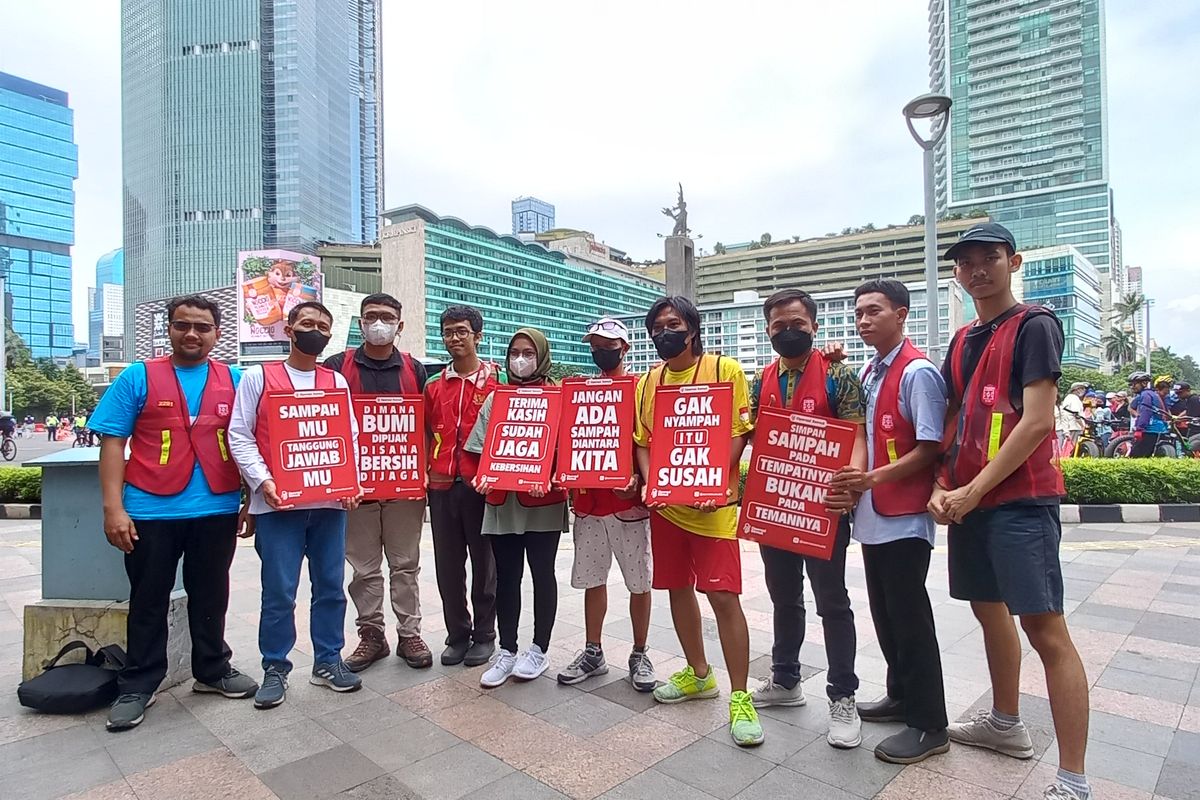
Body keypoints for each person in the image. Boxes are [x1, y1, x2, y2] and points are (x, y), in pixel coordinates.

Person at [931, 223, 1091, 800]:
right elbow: (954, 421)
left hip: (1019, 503)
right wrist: (943, 485)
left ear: (1012, 262)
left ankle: (1073, 781)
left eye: (990, 259)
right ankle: (1004, 723)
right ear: (956, 272)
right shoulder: (963, 339)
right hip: (970, 501)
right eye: (966, 262)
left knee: (1045, 628)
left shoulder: (1035, 325)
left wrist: (972, 492)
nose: (978, 270)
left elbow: (1038, 421)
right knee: (988, 612)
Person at [89, 295, 258, 732]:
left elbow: (248, 443)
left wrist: (249, 501)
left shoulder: (236, 379)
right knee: (148, 598)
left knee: (211, 594)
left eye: (202, 327)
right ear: (170, 329)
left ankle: (213, 670)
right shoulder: (137, 377)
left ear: (217, 334)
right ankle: (138, 683)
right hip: (148, 509)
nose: (192, 334)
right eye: (183, 325)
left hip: (217, 508)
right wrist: (114, 509)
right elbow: (112, 444)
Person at [828, 279, 949, 763]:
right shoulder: (871, 371)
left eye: (874, 311)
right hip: (876, 517)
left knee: (910, 618)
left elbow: (931, 447)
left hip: (903, 518)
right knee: (885, 613)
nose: (863, 320)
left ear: (901, 314)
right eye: (858, 313)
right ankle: (901, 694)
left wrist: (870, 478)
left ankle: (929, 724)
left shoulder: (917, 372)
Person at [633, 296, 762, 747]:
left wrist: (711, 482)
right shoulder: (648, 382)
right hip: (667, 509)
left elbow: (739, 432)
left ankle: (740, 697)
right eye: (657, 326)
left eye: (673, 324)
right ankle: (699, 673)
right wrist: (654, 484)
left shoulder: (724, 371)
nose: (663, 332)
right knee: (676, 588)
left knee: (723, 597)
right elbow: (644, 442)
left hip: (714, 510)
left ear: (692, 329)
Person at [228, 301, 363, 709]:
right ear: (289, 329)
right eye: (307, 324)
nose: (315, 332)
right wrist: (262, 482)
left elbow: (349, 437)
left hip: (329, 503)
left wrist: (352, 482)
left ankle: (328, 660)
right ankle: (275, 667)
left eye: (323, 326)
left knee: (330, 586)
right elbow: (240, 435)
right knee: (279, 590)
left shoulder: (335, 382)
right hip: (278, 505)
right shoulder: (259, 377)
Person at [747, 289, 866, 750]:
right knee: (784, 599)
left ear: (813, 326)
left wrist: (849, 485)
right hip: (776, 507)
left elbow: (856, 436)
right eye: (778, 325)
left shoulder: (839, 375)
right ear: (768, 331)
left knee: (832, 602)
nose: (787, 331)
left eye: (796, 322)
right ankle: (786, 681)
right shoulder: (761, 381)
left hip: (824, 510)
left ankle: (843, 696)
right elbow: (751, 434)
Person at [323, 293, 432, 672]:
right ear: (360, 323)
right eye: (371, 317)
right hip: (357, 490)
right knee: (364, 568)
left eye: (387, 317)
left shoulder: (415, 370)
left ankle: (409, 633)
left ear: (400, 326)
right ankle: (371, 634)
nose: (379, 323)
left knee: (405, 564)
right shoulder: (337, 367)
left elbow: (427, 426)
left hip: (404, 488)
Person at [555, 317, 656, 692]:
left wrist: (640, 481)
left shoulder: (641, 388)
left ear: (624, 348)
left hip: (628, 506)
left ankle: (640, 652)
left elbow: (654, 442)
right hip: (588, 504)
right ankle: (593, 650)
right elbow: (564, 438)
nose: (601, 350)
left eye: (609, 344)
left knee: (638, 582)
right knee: (591, 580)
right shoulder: (578, 390)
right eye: (596, 344)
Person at [466, 328, 568, 688]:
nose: (520, 359)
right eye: (514, 352)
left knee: (543, 574)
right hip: (501, 502)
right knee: (507, 576)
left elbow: (570, 453)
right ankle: (507, 649)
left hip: (543, 502)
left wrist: (555, 476)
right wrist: (481, 478)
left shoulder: (558, 398)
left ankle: (539, 649)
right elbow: (476, 452)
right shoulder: (497, 399)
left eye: (528, 352)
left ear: (541, 356)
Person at [424, 305, 501, 668]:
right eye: (448, 331)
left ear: (477, 336)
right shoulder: (434, 385)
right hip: (441, 486)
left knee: (485, 564)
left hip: (481, 487)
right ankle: (457, 634)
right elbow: (425, 432)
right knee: (448, 566)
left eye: (462, 331)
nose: (454, 338)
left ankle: (485, 635)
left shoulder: (496, 382)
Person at [1131, 376, 1172, 458]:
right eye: (1131, 384)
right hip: (1159, 429)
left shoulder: (1145, 395)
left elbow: (1146, 412)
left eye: (1134, 384)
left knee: (1136, 457)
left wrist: (1139, 428)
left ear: (1144, 383)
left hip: (1149, 430)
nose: (1132, 387)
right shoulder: (1153, 394)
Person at [1057, 383, 1087, 454]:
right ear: (1076, 390)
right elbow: (1076, 414)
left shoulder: (1068, 398)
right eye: (1082, 388)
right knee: (1072, 448)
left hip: (1069, 426)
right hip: (1074, 426)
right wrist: (1082, 426)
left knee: (1069, 447)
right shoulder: (1074, 398)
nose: (1084, 391)